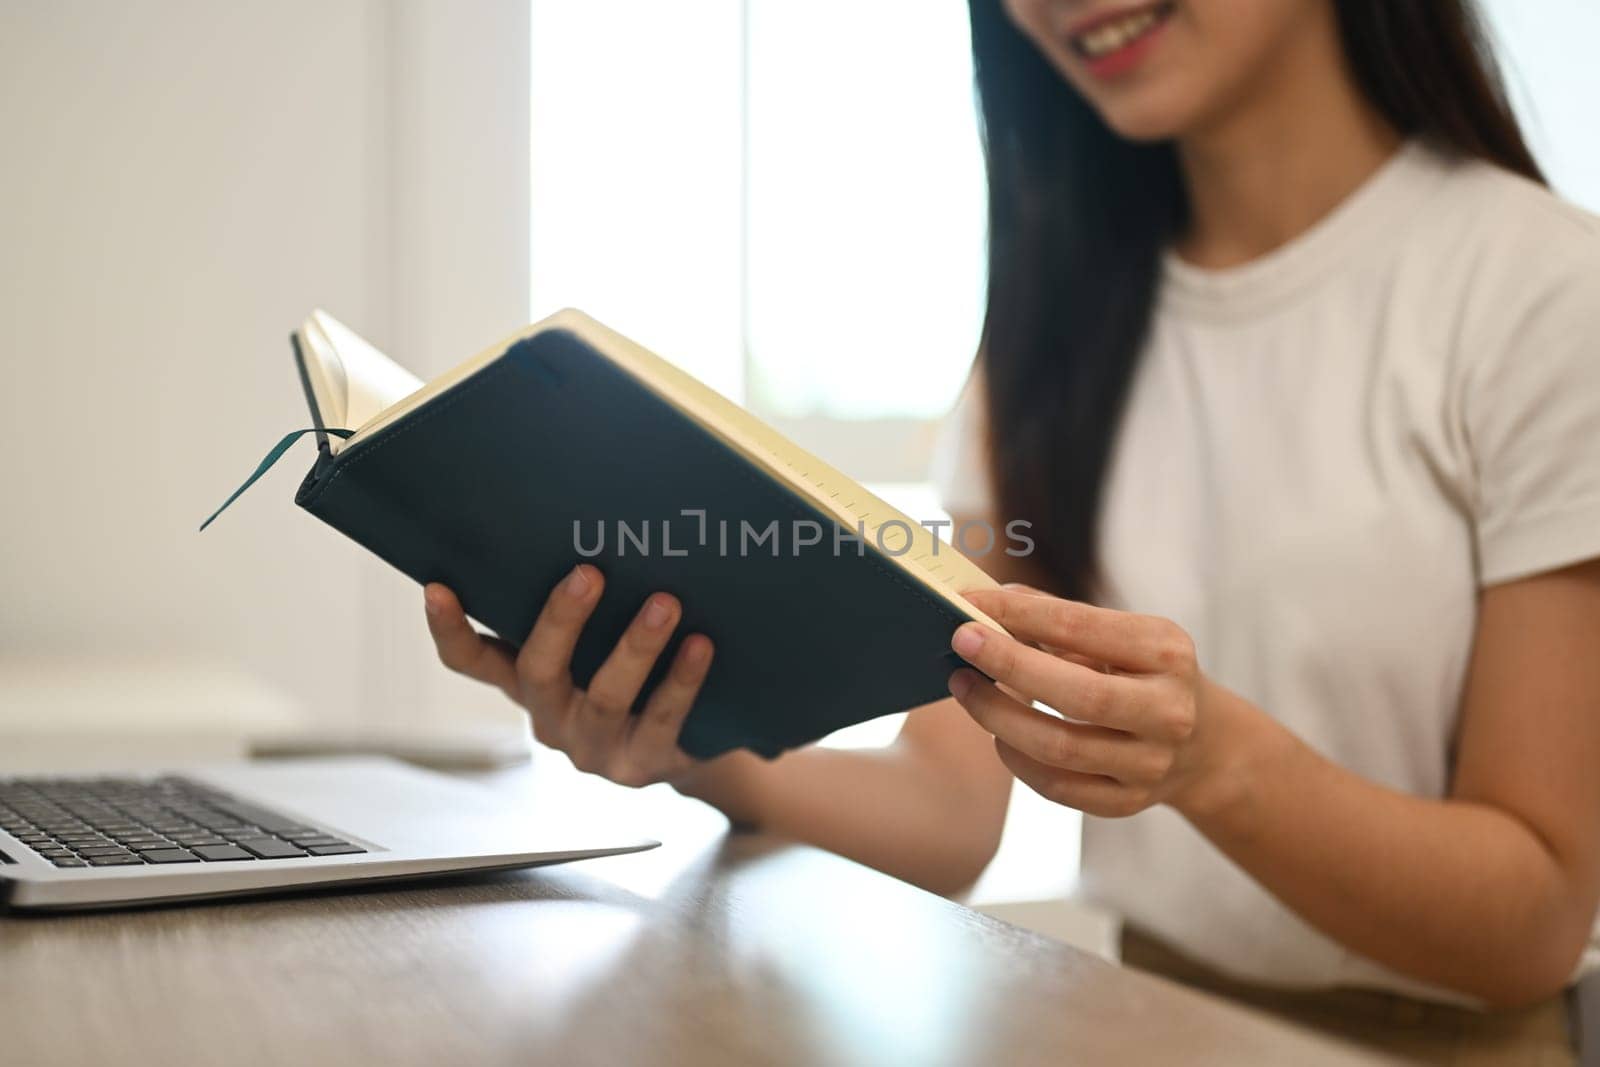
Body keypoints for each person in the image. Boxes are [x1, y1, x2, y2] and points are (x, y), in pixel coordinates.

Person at [423, 1, 1600, 1059]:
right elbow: (946, 808)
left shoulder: (1544, 294)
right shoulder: (1052, 324)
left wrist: (1211, 760)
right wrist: (686, 741)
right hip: (1148, 1025)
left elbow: (1531, 924)